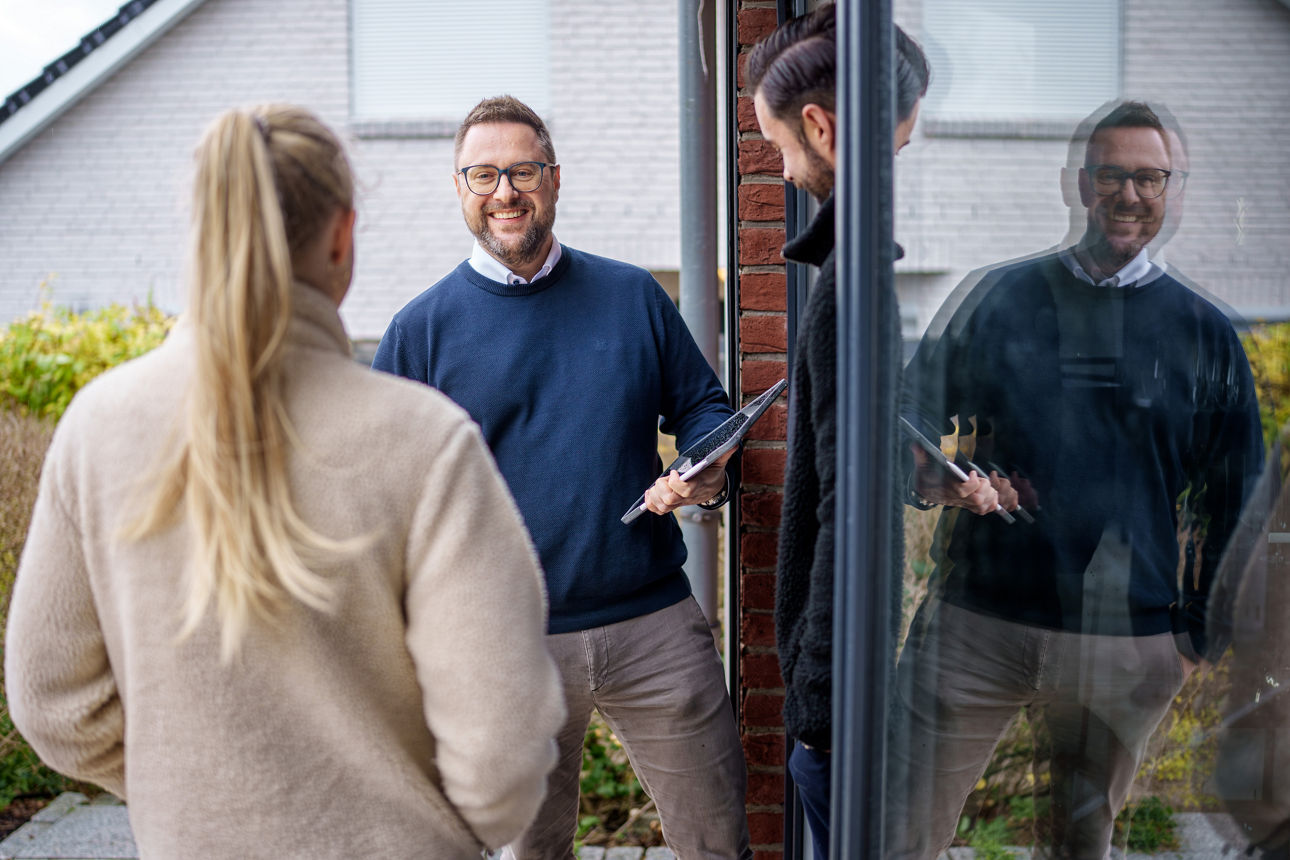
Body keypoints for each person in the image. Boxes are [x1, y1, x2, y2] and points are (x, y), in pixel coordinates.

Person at [4, 105, 565, 859]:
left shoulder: (97, 427)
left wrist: (201, 794)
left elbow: (54, 704)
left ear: (203, 234)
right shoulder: (424, 441)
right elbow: (502, 741)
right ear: (341, 236)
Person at [372, 95, 750, 859]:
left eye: (523, 171)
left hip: (652, 624)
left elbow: (702, 406)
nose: (505, 192)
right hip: (505, 644)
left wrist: (703, 466)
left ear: (554, 178)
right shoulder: (420, 332)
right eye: (483, 175)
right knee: (530, 853)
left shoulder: (632, 296)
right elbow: (384, 497)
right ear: (458, 187)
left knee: (719, 841)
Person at [888, 100, 1265, 859]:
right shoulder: (999, 297)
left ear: (1172, 190)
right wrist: (932, 476)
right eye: (1111, 175)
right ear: (1078, 184)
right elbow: (907, 412)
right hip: (975, 624)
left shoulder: (1204, 333)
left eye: (1150, 178)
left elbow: (1238, 496)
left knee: (1080, 844)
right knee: (898, 831)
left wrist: (1196, 635)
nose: (1130, 194)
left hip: (1124, 641)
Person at [746, 7, 937, 856]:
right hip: (836, 697)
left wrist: (820, 710)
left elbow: (845, 513)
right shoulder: (851, 275)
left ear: (821, 127)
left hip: (834, 709)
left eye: (778, 146)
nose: (783, 168)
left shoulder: (848, 287)